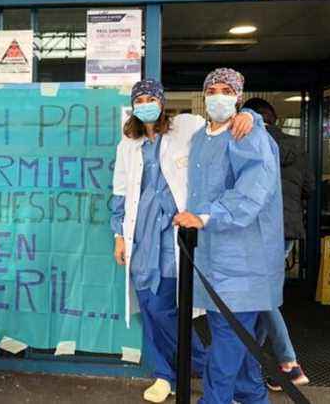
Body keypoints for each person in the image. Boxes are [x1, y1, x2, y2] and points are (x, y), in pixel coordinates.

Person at [111, 79, 256, 403]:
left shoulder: (186, 126)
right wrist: (119, 235)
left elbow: (222, 125)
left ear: (162, 102)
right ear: (134, 106)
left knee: (163, 306)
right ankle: (165, 374)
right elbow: (120, 192)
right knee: (148, 306)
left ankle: (203, 368)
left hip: (175, 229)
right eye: (141, 99)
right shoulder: (128, 142)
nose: (146, 103)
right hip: (141, 232)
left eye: (152, 98)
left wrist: (251, 116)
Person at [174, 68, 284, 404]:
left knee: (226, 345)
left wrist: (205, 218)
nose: (217, 96)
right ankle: (253, 397)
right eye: (211, 90)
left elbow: (252, 192)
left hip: (242, 263)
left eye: (226, 90)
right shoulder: (198, 137)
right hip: (211, 258)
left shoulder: (249, 135)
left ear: (237, 96)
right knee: (238, 343)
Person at [242, 97, 313, 389]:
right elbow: (308, 187)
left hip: (257, 230)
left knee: (263, 298)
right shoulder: (296, 146)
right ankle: (250, 362)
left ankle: (288, 361)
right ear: (274, 118)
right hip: (287, 231)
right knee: (264, 296)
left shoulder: (246, 144)